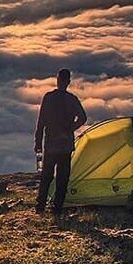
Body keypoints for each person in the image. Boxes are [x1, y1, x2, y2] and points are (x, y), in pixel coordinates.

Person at [34, 68, 87, 214]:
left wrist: (38, 143)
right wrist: (71, 128)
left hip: (51, 145)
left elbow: (41, 122)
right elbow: (83, 117)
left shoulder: (48, 98)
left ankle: (40, 207)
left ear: (57, 80)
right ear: (68, 82)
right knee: (62, 178)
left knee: (46, 176)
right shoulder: (72, 99)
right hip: (65, 146)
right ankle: (57, 208)